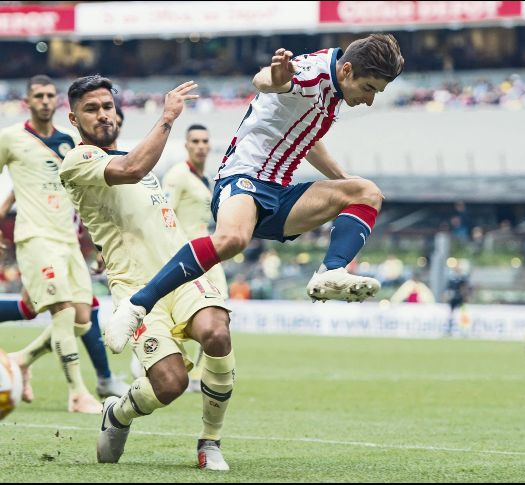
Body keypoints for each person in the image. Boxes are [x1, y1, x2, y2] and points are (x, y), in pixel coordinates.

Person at [107, 34, 405, 353]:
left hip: (278, 193)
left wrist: (344, 180)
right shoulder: (310, 73)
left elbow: (307, 135)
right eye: (369, 89)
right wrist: (275, 79)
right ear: (347, 71)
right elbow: (265, 79)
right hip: (243, 177)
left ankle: (330, 273)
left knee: (365, 192)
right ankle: (136, 306)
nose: (370, 100)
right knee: (233, 239)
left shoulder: (333, 89)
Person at [60, 75, 235, 471]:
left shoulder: (139, 158)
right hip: (136, 290)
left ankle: (210, 441)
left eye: (107, 106)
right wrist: (169, 117)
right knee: (170, 384)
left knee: (216, 332)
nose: (102, 114)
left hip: (182, 274)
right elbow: (132, 168)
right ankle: (118, 413)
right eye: (91, 109)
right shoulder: (79, 160)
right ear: (74, 119)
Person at [0, 74, 100, 414]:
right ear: (28, 101)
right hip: (35, 237)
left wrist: (98, 243)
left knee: (82, 320)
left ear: (56, 101)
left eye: (50, 95)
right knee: (62, 312)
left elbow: (79, 193)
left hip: (68, 240)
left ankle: (22, 359)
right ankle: (77, 392)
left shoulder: (68, 143)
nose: (45, 101)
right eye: (39, 96)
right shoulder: (10, 138)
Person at [0, 194, 129, 400]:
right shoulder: (62, 167)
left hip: (61, 245)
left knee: (30, 307)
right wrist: (0, 211)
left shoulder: (72, 169)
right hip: (47, 245)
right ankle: (100, 381)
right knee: (82, 309)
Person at [159, 124, 230, 392]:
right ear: (186, 145)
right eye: (195, 141)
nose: (200, 145)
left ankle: (201, 373)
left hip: (209, 252)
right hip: (186, 256)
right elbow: (164, 213)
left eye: (204, 141)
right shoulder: (177, 175)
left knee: (218, 310)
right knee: (181, 314)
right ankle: (166, 362)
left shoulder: (207, 178)